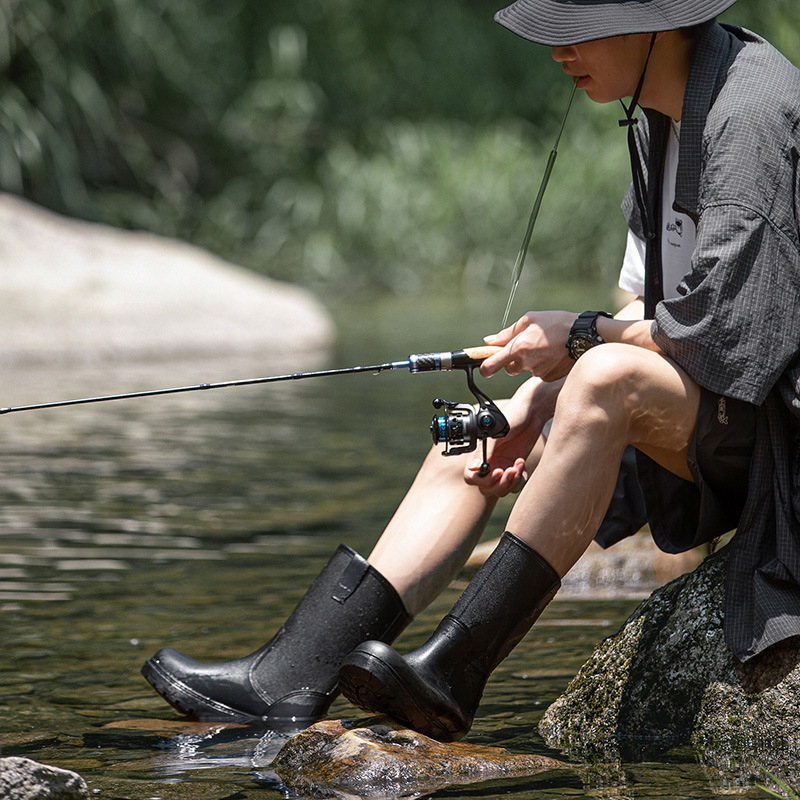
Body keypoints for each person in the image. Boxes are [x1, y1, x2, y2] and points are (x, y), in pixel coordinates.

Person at [142, 0, 800, 743]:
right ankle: (294, 676)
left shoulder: (748, 110)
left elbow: (729, 341)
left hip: (776, 431)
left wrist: (582, 338)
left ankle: (455, 671)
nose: (558, 53)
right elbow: (646, 304)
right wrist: (542, 398)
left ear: (653, 25)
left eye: (575, 32)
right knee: (486, 426)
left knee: (601, 377)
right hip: (709, 407)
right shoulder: (656, 114)